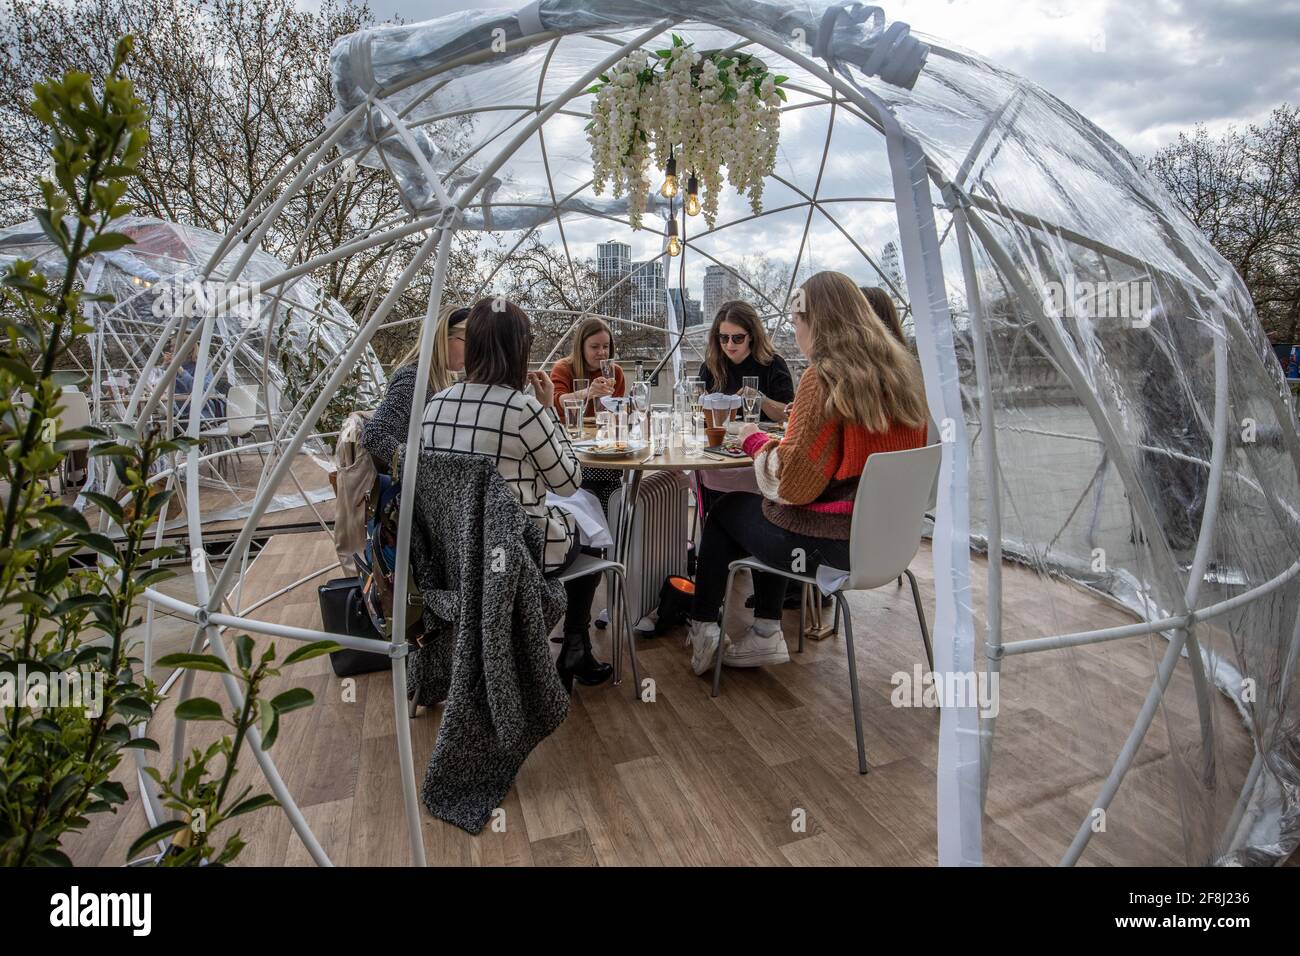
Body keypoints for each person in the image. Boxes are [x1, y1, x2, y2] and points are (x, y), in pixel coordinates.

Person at [684, 271, 930, 674]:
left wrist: (752, 439)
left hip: (831, 548)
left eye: (796, 321)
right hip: (890, 544)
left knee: (726, 511)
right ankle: (758, 627)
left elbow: (793, 485)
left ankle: (720, 629)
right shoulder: (905, 376)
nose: (794, 330)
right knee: (755, 508)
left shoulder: (824, 377)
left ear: (816, 321)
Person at [421, 297, 612, 689]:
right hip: (515, 552)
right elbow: (568, 480)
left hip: (455, 552)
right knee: (591, 529)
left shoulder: (434, 406)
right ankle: (575, 645)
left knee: (579, 519)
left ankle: (566, 647)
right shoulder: (522, 408)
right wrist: (548, 411)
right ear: (518, 349)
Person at [362, 303, 468, 474]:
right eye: (468, 341)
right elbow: (374, 435)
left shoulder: (439, 378)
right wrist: (422, 468)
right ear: (442, 337)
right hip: (408, 493)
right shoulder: (414, 379)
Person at [549, 316, 626, 515]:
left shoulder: (615, 372)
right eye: (594, 347)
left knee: (613, 486)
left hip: (605, 449)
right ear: (581, 347)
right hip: (573, 449)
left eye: (606, 346)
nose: (601, 352)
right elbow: (556, 402)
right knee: (595, 484)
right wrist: (588, 393)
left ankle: (608, 536)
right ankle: (593, 535)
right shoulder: (563, 368)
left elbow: (616, 414)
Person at [699, 300, 794, 423]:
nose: (729, 344)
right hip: (719, 438)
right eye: (724, 337)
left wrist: (761, 399)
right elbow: (697, 416)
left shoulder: (774, 364)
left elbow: (788, 415)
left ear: (751, 335)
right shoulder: (710, 365)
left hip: (762, 438)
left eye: (738, 338)